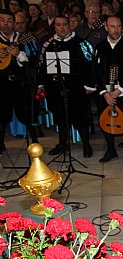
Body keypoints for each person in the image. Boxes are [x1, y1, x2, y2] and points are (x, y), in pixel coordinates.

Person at [37, 15, 94, 157]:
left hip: (76, 88)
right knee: (60, 118)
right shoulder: (48, 45)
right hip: (55, 89)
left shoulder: (81, 43)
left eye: (64, 25)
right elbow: (42, 66)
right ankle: (63, 144)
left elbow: (90, 66)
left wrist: (89, 86)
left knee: (80, 118)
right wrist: (41, 83)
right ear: (54, 27)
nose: (62, 28)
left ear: (70, 26)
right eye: (58, 25)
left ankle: (86, 144)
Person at [90, 15, 123, 165]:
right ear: (106, 27)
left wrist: (119, 90)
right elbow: (95, 71)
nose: (116, 29)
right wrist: (104, 93)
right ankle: (111, 150)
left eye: (119, 26)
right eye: (112, 26)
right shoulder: (100, 47)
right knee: (106, 122)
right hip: (105, 93)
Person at [0, 9, 40, 152]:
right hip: (2, 84)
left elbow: (33, 60)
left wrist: (19, 54)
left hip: (20, 82)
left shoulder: (22, 39)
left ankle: (35, 142)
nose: (6, 24)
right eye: (2, 20)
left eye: (9, 21)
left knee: (26, 113)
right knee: (2, 115)